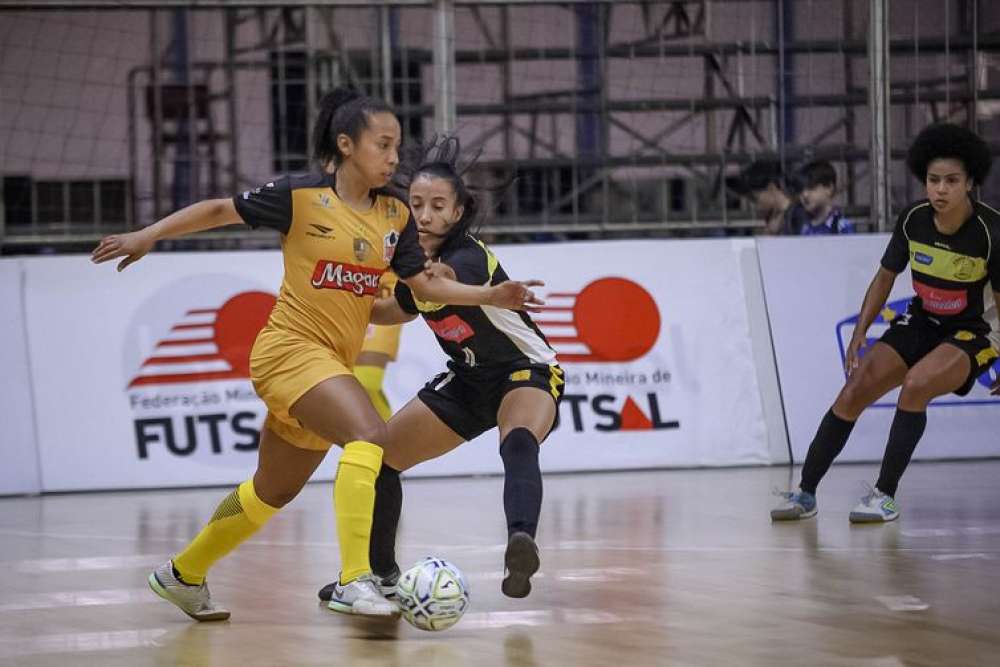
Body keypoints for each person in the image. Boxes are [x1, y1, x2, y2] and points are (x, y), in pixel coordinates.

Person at [91, 89, 543, 621]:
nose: (394, 157)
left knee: (269, 491)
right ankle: (356, 580)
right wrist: (149, 234)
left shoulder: (394, 214)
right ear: (347, 145)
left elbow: (421, 284)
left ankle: (183, 573)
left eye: (397, 145)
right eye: (383, 144)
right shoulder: (300, 196)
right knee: (371, 437)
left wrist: (489, 295)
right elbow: (219, 209)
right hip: (288, 351)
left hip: (329, 364)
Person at [318, 136, 564, 603]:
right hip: (468, 380)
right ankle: (382, 573)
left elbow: (443, 283)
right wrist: (342, 301)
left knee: (517, 441)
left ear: (457, 213)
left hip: (525, 370)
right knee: (383, 460)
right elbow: (396, 310)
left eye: (436, 206)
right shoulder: (414, 267)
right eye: (416, 205)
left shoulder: (465, 257)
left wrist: (421, 278)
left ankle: (520, 543)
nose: (425, 215)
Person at [772, 123, 1000, 524]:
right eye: (933, 180)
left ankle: (885, 496)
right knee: (853, 391)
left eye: (951, 181)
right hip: (921, 320)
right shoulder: (913, 219)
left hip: (973, 331)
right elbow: (884, 278)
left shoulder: (991, 231)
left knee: (916, 386)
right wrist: (861, 331)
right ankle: (805, 493)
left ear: (970, 184)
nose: (941, 190)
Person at [789, 160, 855, 235]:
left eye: (811, 187)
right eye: (800, 189)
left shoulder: (841, 227)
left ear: (829, 188)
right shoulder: (801, 227)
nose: (804, 195)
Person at [740, 158, 802, 235]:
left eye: (756, 199)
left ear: (771, 188)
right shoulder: (776, 217)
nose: (757, 207)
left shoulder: (797, 216)